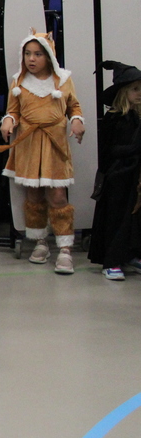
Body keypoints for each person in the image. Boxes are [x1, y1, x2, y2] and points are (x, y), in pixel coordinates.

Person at [0, 30, 85, 275]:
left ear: (49, 56)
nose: (31, 59)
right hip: (28, 145)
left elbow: (73, 105)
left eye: (37, 54)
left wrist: (76, 120)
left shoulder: (63, 80)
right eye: (27, 54)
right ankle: (40, 242)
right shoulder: (18, 82)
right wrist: (8, 121)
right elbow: (12, 110)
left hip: (55, 144)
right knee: (33, 196)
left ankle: (65, 248)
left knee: (57, 196)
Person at [87, 61, 141, 280]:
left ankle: (131, 253)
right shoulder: (114, 118)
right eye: (135, 89)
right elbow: (108, 150)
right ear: (123, 92)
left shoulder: (139, 117)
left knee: (134, 217)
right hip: (119, 175)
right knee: (116, 217)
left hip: (136, 175)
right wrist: (134, 149)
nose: (139, 94)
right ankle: (111, 260)